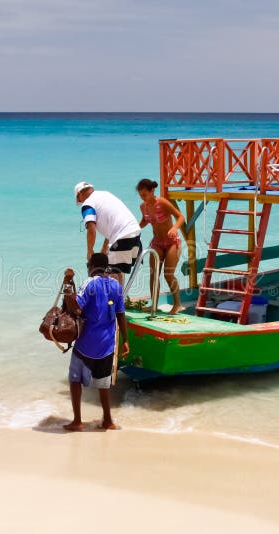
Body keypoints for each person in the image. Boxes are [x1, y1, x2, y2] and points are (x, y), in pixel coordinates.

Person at [62, 253, 129, 431]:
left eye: (88, 264)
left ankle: (77, 421)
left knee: (75, 379)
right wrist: (125, 340)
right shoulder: (116, 285)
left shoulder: (89, 283)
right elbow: (121, 314)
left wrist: (67, 285)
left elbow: (75, 308)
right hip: (107, 346)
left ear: (92, 266)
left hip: (86, 344)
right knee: (103, 384)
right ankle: (107, 420)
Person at [75, 181, 142, 286]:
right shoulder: (106, 194)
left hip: (122, 236)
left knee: (109, 272)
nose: (80, 202)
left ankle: (114, 301)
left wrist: (90, 250)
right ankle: (120, 299)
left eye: (79, 200)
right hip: (135, 233)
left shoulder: (88, 204)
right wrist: (104, 248)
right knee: (117, 268)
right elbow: (113, 222)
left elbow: (91, 228)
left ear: (79, 194)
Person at [136, 178, 185, 314]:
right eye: (140, 195)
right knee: (154, 274)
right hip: (157, 242)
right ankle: (154, 305)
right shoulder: (143, 206)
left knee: (168, 275)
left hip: (172, 243)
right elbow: (145, 220)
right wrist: (134, 228)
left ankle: (177, 304)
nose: (143, 197)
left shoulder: (162, 202)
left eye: (145, 194)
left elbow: (180, 217)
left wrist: (175, 228)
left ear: (152, 191)